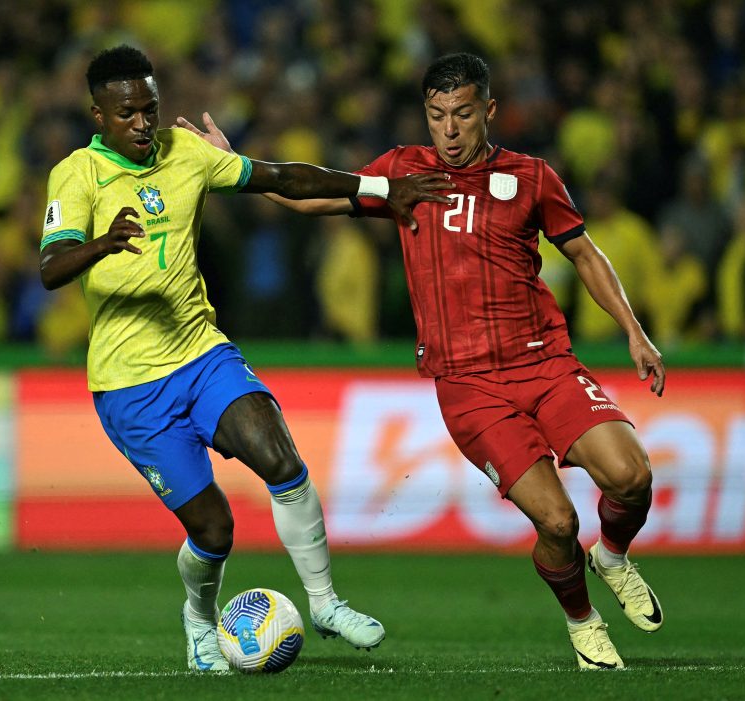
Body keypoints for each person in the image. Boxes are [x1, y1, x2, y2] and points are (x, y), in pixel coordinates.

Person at [178, 52, 666, 670]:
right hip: (469, 387)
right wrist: (234, 166)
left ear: (489, 110)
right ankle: (582, 621)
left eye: (462, 114)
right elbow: (311, 199)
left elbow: (586, 255)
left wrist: (635, 332)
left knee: (632, 476)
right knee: (558, 522)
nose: (450, 130)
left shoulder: (532, 177)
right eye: (437, 116)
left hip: (545, 362)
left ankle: (613, 556)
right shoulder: (403, 172)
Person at [38, 45, 452, 673]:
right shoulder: (77, 175)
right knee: (214, 530)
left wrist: (382, 188)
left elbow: (283, 178)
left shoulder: (187, 154)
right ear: (99, 116)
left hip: (201, 353)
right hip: (130, 386)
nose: (144, 124)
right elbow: (50, 269)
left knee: (282, 459)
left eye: (151, 109)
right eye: (127, 114)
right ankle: (199, 621)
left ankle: (325, 602)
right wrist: (102, 243)